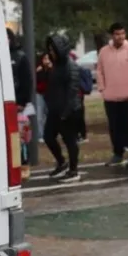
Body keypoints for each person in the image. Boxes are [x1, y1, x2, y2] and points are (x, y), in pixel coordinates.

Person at [97, 23, 128, 168]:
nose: (120, 36)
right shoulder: (104, 51)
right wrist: (102, 88)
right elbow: (99, 71)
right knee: (114, 127)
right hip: (110, 97)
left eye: (122, 33)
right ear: (112, 35)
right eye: (117, 34)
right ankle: (118, 154)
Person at [43, 35, 82, 182]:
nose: (51, 53)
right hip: (55, 110)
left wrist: (66, 113)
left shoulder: (70, 66)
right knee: (48, 137)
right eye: (50, 50)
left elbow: (72, 91)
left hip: (68, 111)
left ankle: (73, 170)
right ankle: (62, 162)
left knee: (70, 141)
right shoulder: (56, 66)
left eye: (53, 50)